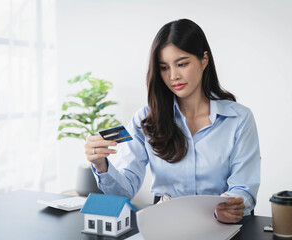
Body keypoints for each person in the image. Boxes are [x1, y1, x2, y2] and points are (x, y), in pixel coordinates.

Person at [84, 19, 260, 223]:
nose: (173, 76)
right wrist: (101, 166)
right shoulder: (145, 119)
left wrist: (231, 205)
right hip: (165, 223)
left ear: (204, 60)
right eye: (164, 67)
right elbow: (123, 193)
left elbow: (243, 188)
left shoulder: (239, 119)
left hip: (222, 223)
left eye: (182, 64)